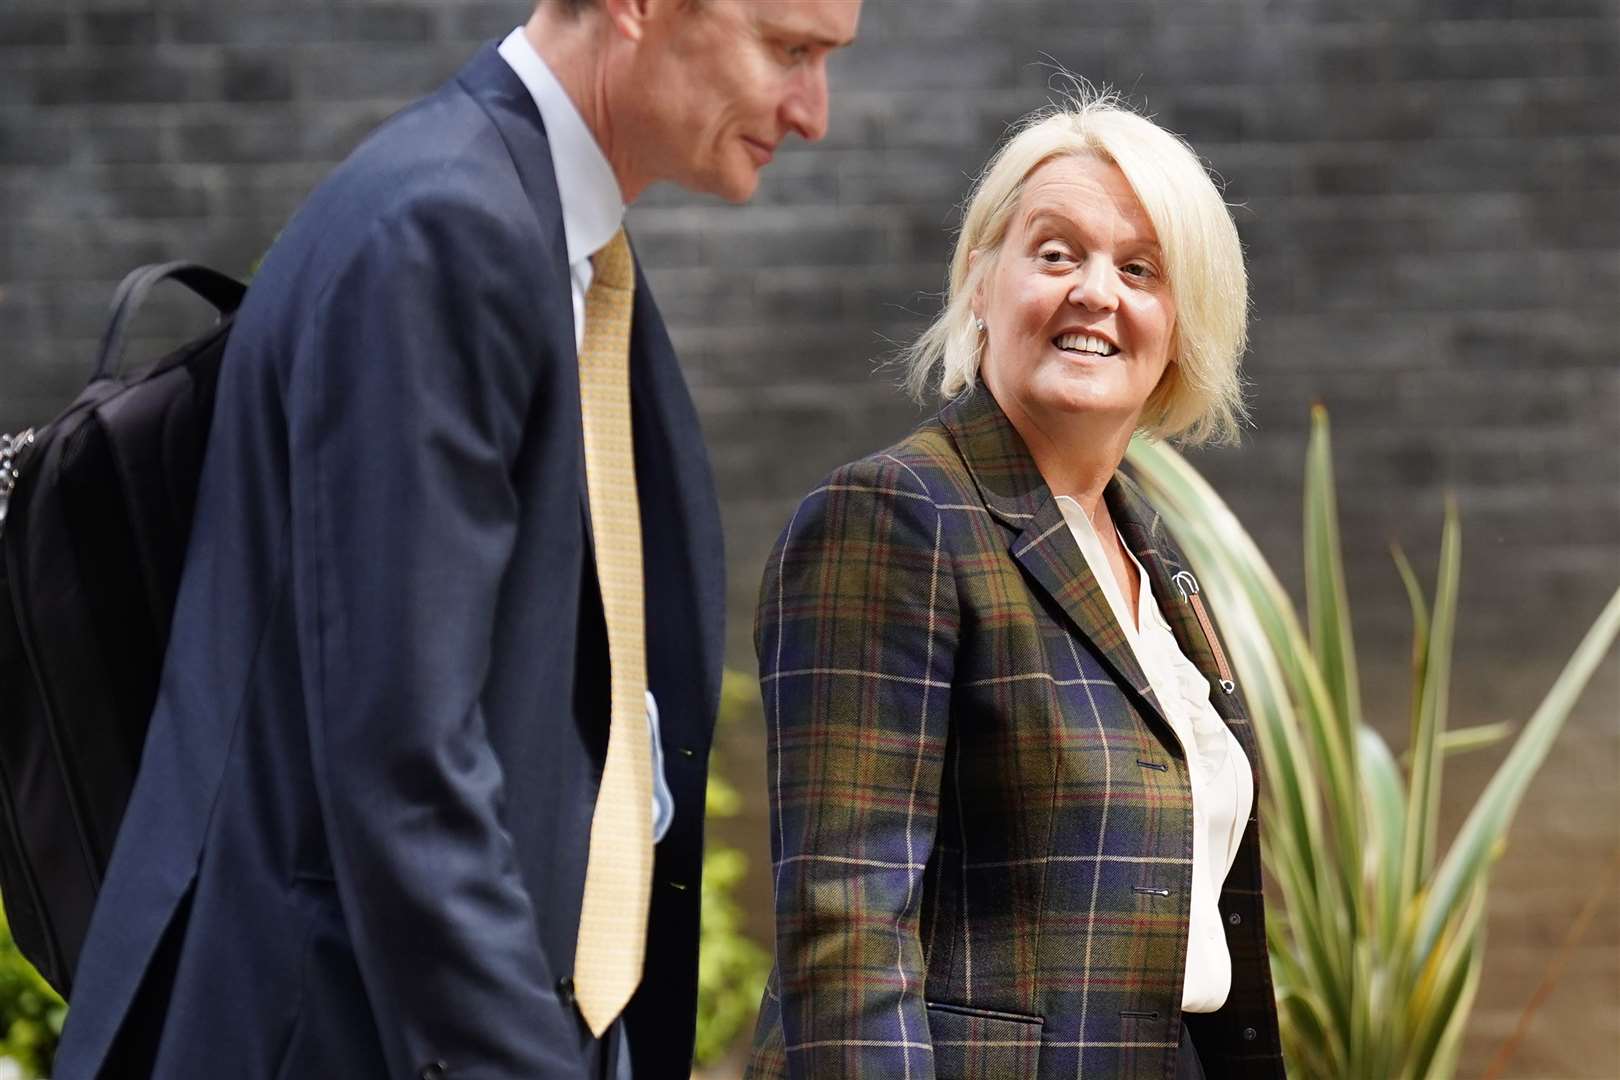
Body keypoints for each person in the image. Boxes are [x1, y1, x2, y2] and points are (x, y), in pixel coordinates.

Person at [52, 1, 861, 1077]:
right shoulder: (442, 229)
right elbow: (403, 755)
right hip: (363, 1033)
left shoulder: (542, 234)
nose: (813, 113)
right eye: (790, 50)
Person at [747, 94, 1286, 1080]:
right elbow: (847, 929)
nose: (1096, 293)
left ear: (1183, 321)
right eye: (1055, 253)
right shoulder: (897, 514)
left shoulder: (1152, 554)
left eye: (1139, 269)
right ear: (981, 283)